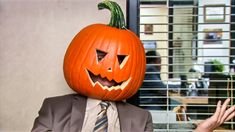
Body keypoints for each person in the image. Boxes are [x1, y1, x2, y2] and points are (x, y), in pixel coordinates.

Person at [32, 1, 235, 132]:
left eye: (121, 61)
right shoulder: (54, 108)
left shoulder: (140, 118)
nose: (111, 69)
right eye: (101, 56)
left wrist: (202, 130)